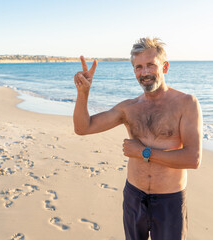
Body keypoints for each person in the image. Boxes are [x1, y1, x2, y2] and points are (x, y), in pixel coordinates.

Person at [73, 37, 202, 240]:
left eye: (151, 65)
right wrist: (83, 93)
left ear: (165, 67)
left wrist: (144, 152)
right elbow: (83, 128)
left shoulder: (186, 104)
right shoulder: (129, 108)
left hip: (169, 201)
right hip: (134, 196)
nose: (144, 72)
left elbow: (192, 159)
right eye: (138, 67)